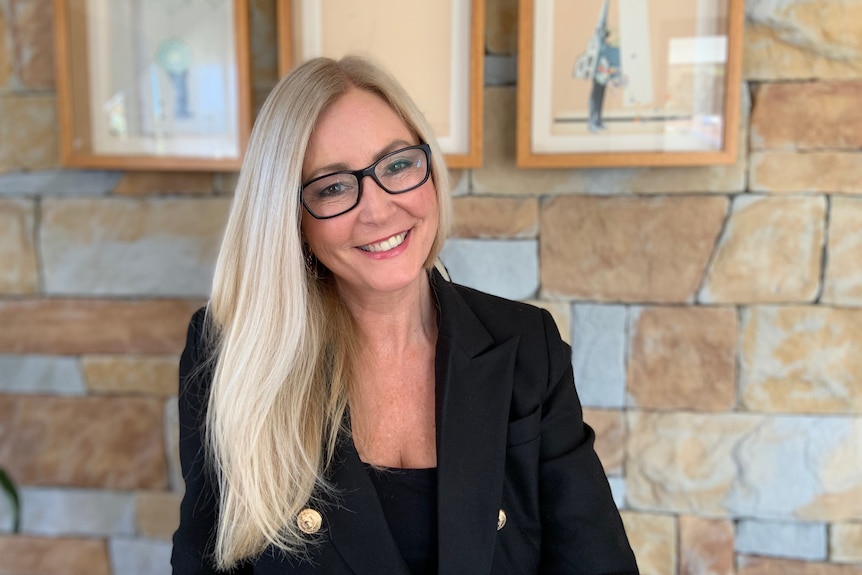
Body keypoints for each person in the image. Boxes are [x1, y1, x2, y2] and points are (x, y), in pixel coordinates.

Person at [171, 56, 638, 574]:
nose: (377, 209)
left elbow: (597, 562)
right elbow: (204, 560)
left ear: (430, 170)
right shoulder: (230, 352)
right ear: (290, 218)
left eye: (396, 165)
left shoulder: (528, 345)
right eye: (332, 187)